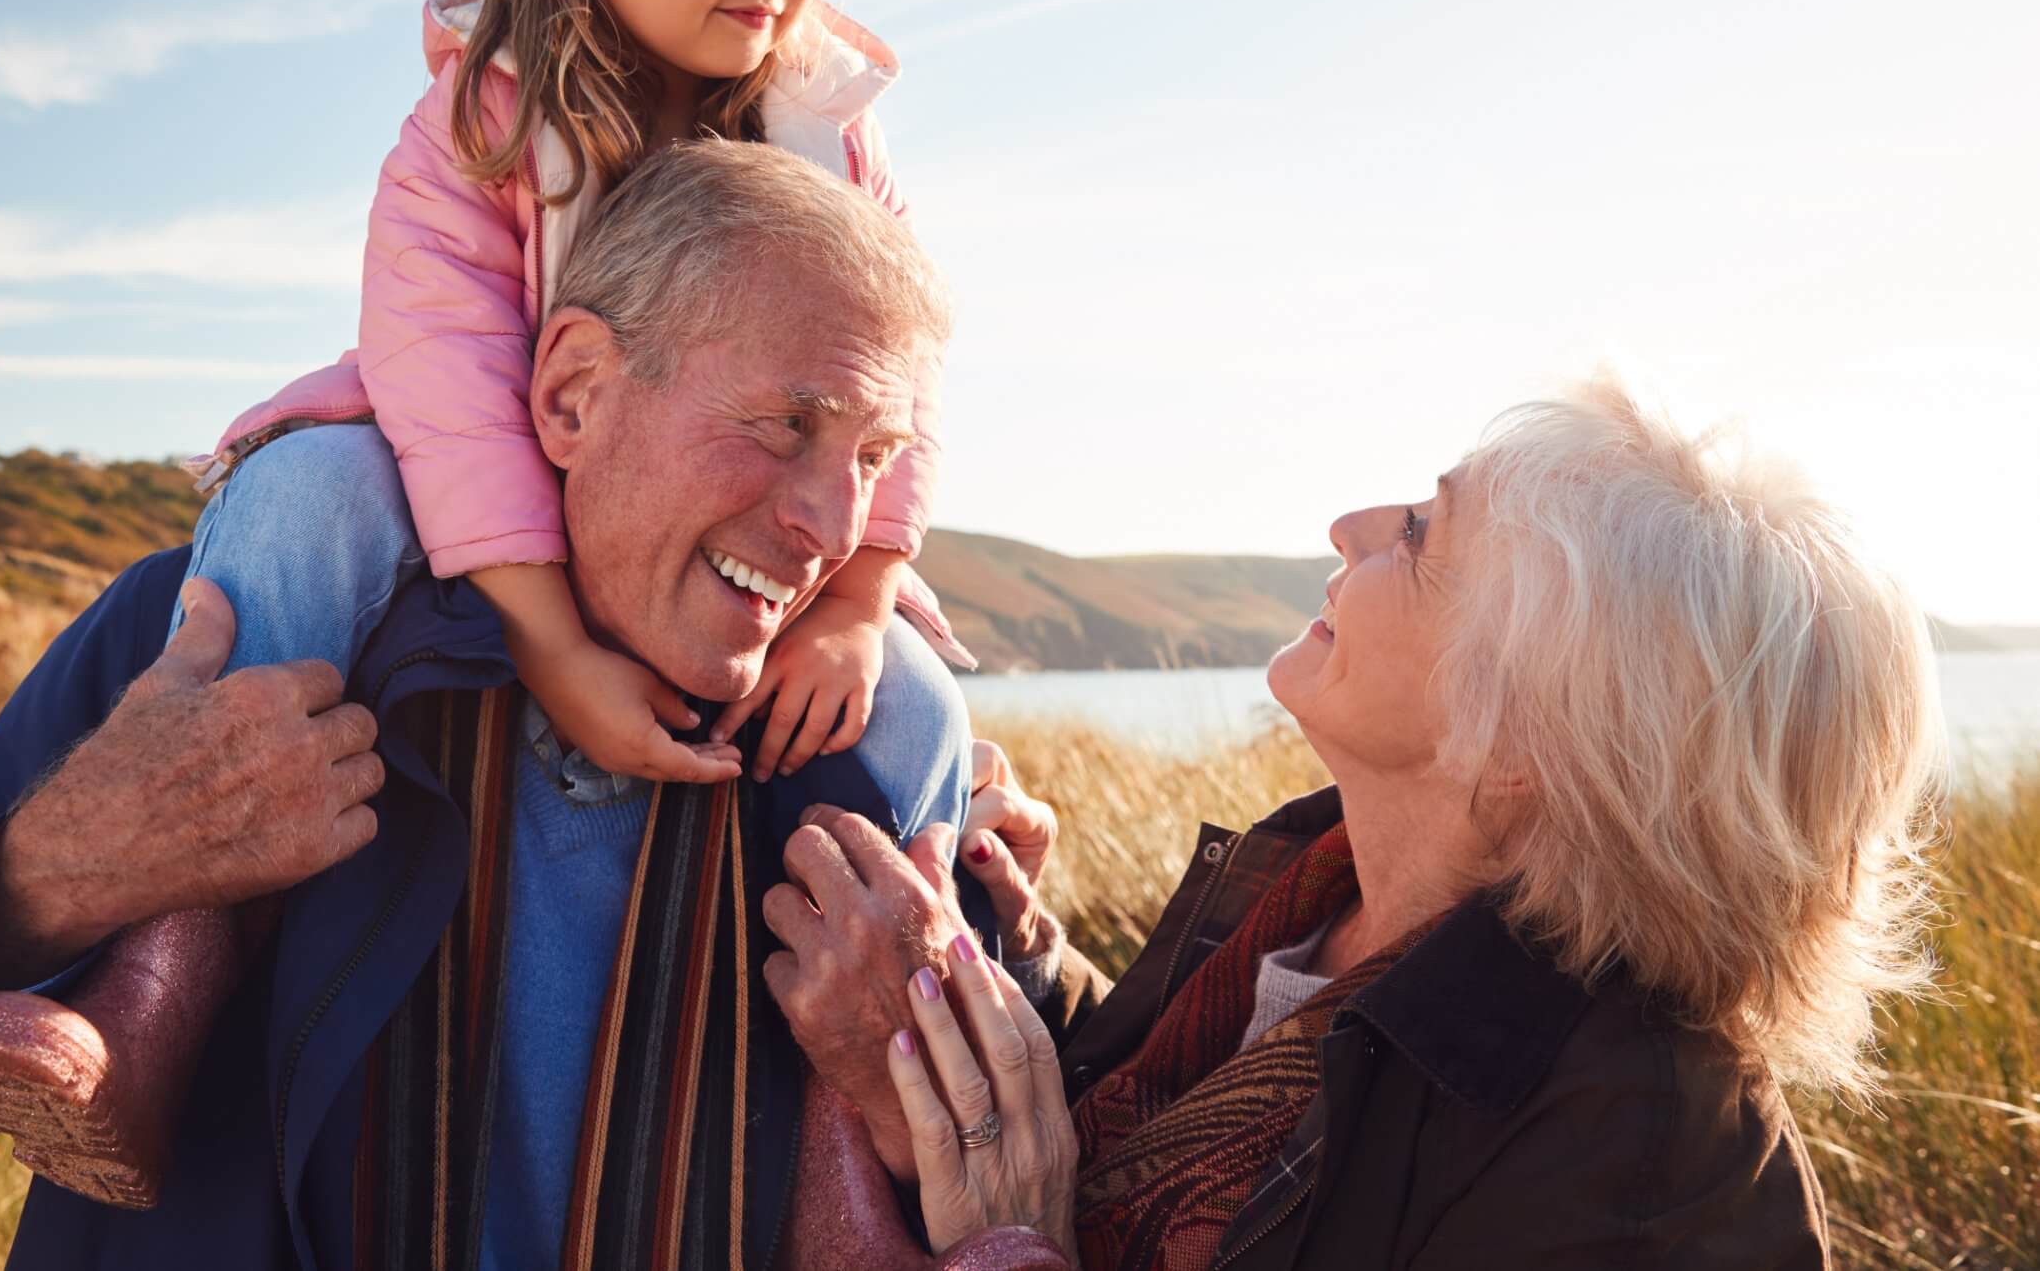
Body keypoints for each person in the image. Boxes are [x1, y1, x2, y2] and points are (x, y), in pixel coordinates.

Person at [0, 0, 975, 1206]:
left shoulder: (830, 138)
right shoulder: (477, 132)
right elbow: (445, 384)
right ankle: (158, 979)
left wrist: (867, 590)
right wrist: (548, 644)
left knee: (919, 712)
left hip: (704, 520)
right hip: (462, 481)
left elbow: (900, 383)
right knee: (299, 503)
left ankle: (848, 1172)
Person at [0, 142, 977, 1270]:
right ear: (572, 392)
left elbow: (1053, 1186)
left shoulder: (869, 757)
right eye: (781, 423)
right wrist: (50, 875)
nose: (834, 523)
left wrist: (920, 1102)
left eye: (872, 455)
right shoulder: (213, 640)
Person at [764, 380, 1946, 1269]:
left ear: (1528, 736)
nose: (1348, 526)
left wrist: (1009, 1246)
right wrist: (1009, 966)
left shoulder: (1643, 1162)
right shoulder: (1321, 895)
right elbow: (1196, 1132)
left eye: (1424, 537)